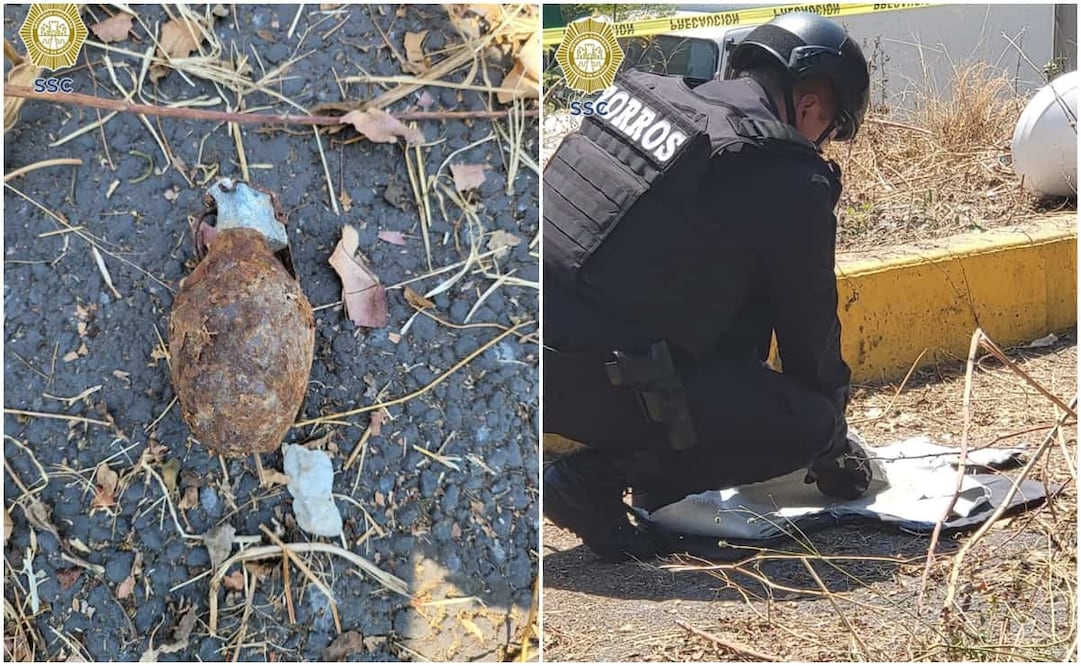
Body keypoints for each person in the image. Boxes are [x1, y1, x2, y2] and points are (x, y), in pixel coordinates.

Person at [543, 12, 873, 561]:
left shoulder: (647, 94)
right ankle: (591, 481)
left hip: (518, 343)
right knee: (806, 422)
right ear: (811, 103)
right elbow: (808, 334)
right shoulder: (783, 176)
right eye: (832, 130)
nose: (824, 144)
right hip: (587, 370)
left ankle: (653, 472)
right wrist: (831, 443)